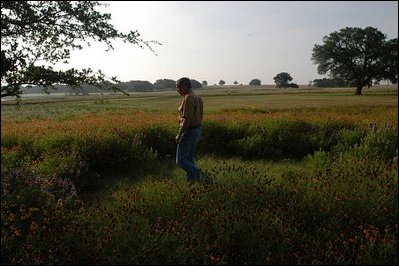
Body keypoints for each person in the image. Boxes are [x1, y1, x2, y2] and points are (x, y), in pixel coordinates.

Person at [175, 77, 205, 182]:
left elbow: (187, 120)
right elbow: (200, 116)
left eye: (178, 87)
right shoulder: (197, 97)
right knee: (189, 159)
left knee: (181, 161)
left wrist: (179, 134)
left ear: (185, 86)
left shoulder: (188, 98)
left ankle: (202, 176)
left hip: (189, 131)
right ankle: (191, 182)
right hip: (197, 130)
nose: (177, 89)